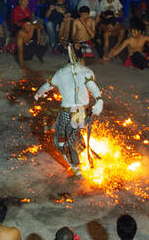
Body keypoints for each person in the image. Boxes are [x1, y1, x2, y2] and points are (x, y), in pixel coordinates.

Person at [34, 45, 104, 178]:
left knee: (63, 141)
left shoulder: (62, 73)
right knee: (73, 135)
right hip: (81, 112)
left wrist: (38, 93)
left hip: (70, 113)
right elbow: (93, 87)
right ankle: (82, 158)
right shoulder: (85, 72)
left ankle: (76, 167)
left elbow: (48, 85)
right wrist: (99, 100)